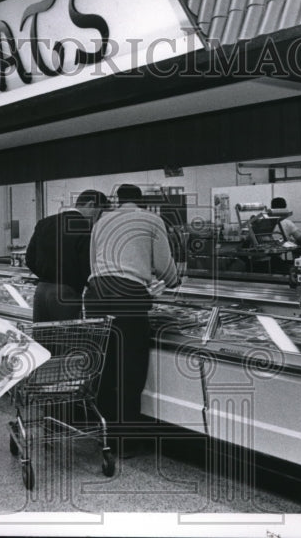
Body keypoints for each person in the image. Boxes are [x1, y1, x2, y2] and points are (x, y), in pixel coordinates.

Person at [84, 184, 181, 456]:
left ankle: (104, 435)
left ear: (118, 200)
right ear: (141, 201)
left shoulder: (101, 221)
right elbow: (163, 262)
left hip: (96, 293)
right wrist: (174, 280)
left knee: (104, 366)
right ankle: (125, 442)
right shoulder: (152, 219)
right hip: (128, 296)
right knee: (130, 370)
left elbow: (93, 261)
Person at [25, 189, 108, 322]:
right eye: (99, 212)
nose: (98, 218)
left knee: (42, 339)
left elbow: (29, 259)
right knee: (67, 339)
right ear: (91, 205)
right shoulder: (85, 227)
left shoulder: (45, 222)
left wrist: (46, 275)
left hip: (41, 291)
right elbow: (86, 266)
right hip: (66, 294)